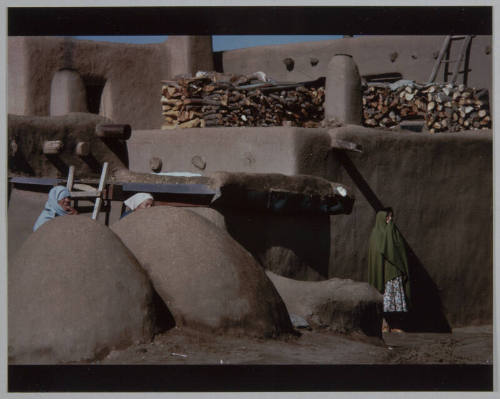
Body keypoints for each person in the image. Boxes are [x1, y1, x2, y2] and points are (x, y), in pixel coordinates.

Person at [368, 209, 411, 333]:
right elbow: (380, 253)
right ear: (382, 218)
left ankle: (395, 325)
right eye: (387, 217)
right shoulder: (376, 235)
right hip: (382, 274)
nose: (390, 220)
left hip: (393, 272)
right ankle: (383, 324)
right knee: (384, 299)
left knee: (395, 301)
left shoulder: (392, 232)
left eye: (391, 217)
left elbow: (397, 250)